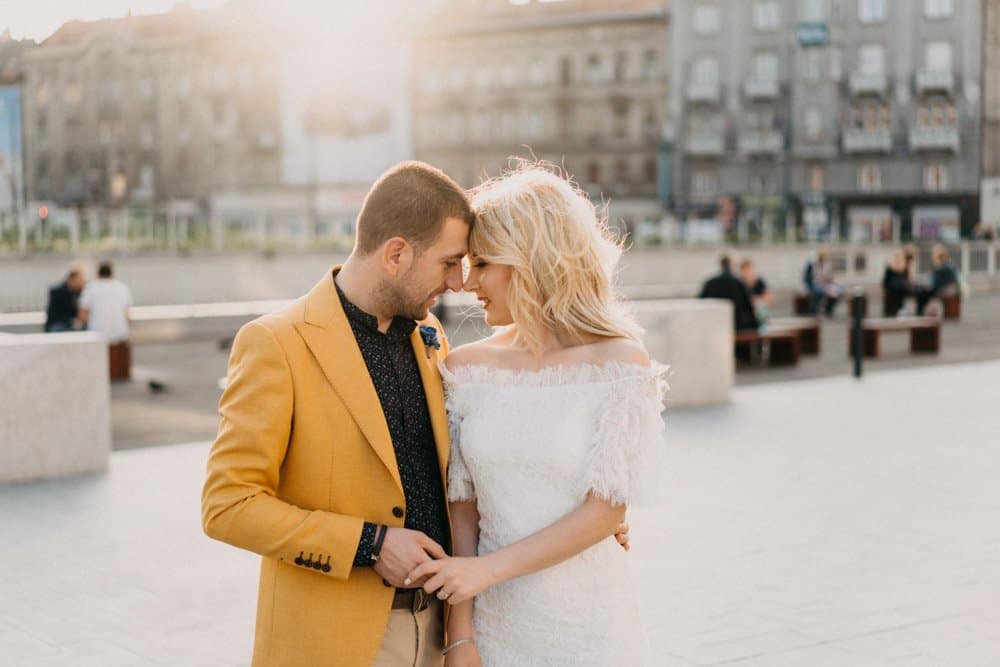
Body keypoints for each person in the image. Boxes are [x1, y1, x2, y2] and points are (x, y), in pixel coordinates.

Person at [200, 161, 631, 667]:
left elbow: (471, 477)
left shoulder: (432, 342)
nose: (458, 282)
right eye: (450, 262)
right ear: (397, 254)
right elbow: (228, 504)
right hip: (335, 639)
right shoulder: (277, 343)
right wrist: (370, 544)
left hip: (441, 633)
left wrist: (584, 515)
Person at [405, 165, 664, 666]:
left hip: (593, 624)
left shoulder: (621, 366)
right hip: (495, 626)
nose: (467, 283)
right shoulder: (464, 370)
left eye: (483, 264)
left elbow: (604, 512)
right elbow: (462, 511)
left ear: (530, 260)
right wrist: (462, 635)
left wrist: (487, 571)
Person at [78, 260, 134, 379]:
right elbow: (127, 315)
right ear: (112, 273)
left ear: (97, 274)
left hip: (97, 332)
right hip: (120, 333)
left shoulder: (91, 287)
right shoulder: (122, 287)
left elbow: (82, 315)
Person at [699, 254, 759, 331]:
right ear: (731, 264)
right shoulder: (739, 282)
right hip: (738, 327)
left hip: (716, 326)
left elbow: (701, 304)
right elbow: (749, 307)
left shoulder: (710, 283)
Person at [916, 244, 960, 316]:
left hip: (945, 290)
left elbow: (935, 284)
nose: (932, 256)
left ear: (936, 255)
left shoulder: (941, 267)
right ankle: (922, 312)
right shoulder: (949, 264)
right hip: (952, 289)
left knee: (921, 293)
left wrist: (924, 287)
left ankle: (920, 313)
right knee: (923, 291)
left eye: (933, 254)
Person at [44, 266, 85, 332]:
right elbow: (54, 314)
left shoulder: (78, 292)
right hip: (57, 323)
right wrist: (71, 321)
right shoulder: (57, 292)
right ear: (72, 279)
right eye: (80, 280)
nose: (82, 282)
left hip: (70, 323)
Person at [803, 250, 843, 317]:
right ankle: (814, 310)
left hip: (827, 283)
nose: (824, 258)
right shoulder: (814, 264)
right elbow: (810, 277)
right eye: (823, 256)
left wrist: (828, 279)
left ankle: (828, 308)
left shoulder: (828, 264)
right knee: (818, 292)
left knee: (838, 291)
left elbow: (831, 276)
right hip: (817, 283)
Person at [881, 249, 912, 316]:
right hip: (892, 291)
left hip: (900, 291)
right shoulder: (889, 267)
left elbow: (908, 279)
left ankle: (900, 311)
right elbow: (885, 281)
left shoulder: (904, 267)